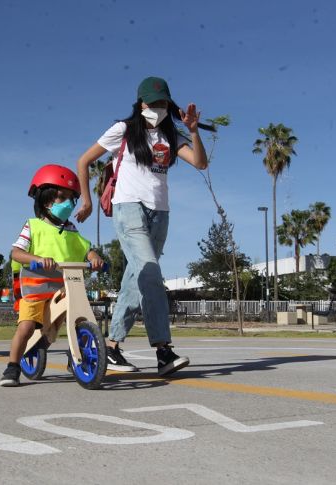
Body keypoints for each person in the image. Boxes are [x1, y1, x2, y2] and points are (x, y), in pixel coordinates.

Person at [75, 76, 210, 376]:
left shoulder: (171, 136)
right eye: (152, 103)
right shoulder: (123, 130)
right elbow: (83, 161)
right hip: (128, 208)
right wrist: (86, 200)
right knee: (150, 271)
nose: (158, 108)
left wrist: (193, 131)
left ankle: (110, 347)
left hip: (160, 212)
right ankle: (163, 350)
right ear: (141, 103)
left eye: (163, 103)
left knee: (136, 279)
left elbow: (200, 163)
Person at [0, 164, 104, 387]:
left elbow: (86, 248)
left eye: (71, 198)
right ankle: (12, 367)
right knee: (26, 328)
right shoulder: (33, 226)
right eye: (61, 198)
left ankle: (75, 356)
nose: (68, 203)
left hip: (63, 289)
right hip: (35, 290)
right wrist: (36, 259)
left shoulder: (72, 230)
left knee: (58, 329)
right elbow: (16, 252)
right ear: (45, 201)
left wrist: (94, 257)